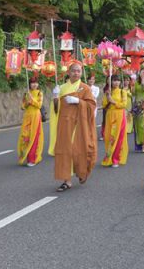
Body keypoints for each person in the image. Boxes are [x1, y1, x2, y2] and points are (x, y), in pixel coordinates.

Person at [53, 61, 98, 192]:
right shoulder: (61, 88)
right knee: (65, 150)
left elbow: (91, 106)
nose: (76, 73)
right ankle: (66, 180)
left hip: (79, 125)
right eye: (73, 71)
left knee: (79, 149)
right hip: (65, 125)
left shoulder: (85, 88)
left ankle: (82, 172)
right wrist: (56, 97)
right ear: (69, 72)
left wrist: (79, 101)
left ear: (81, 73)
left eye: (78, 71)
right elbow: (56, 110)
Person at [101, 74, 129, 167]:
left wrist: (113, 101)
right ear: (110, 82)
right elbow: (103, 105)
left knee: (118, 137)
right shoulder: (108, 92)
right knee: (108, 137)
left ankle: (116, 159)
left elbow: (124, 104)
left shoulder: (122, 92)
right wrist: (107, 98)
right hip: (109, 115)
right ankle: (109, 157)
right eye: (114, 80)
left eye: (118, 80)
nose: (116, 82)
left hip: (120, 116)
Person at [17, 77, 44, 167]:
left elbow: (39, 105)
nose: (34, 84)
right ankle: (25, 156)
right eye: (32, 83)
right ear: (29, 84)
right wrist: (27, 102)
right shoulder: (26, 94)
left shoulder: (40, 93)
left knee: (34, 137)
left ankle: (32, 159)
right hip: (27, 117)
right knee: (25, 137)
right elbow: (22, 107)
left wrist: (32, 99)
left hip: (36, 117)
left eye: (36, 82)